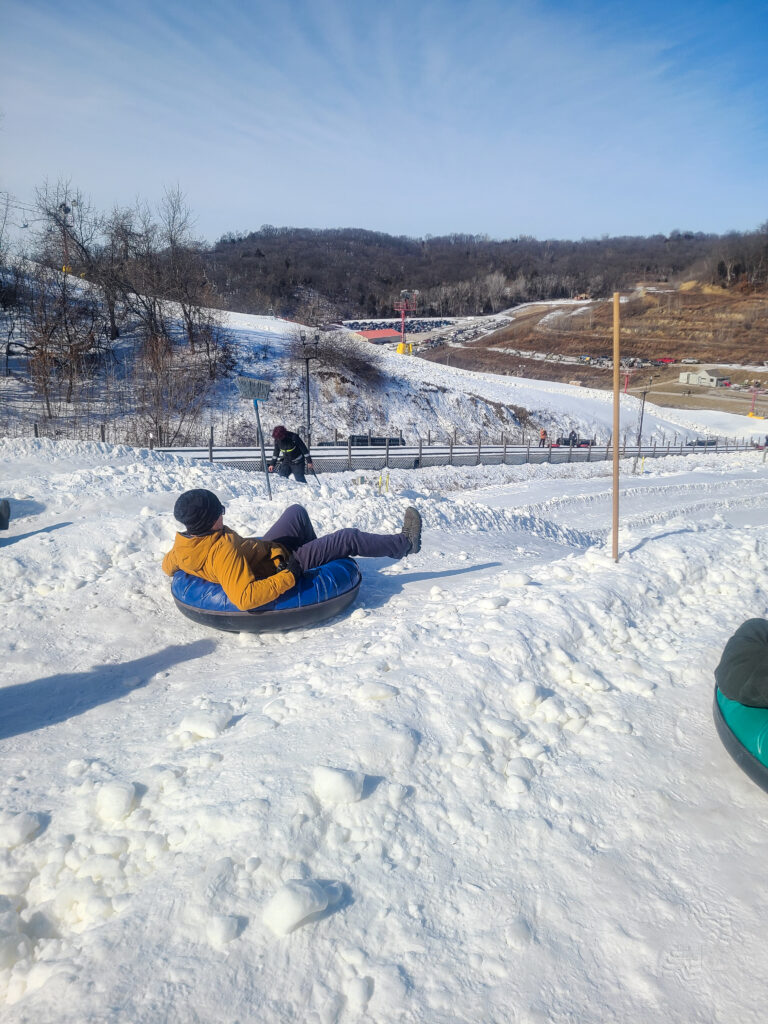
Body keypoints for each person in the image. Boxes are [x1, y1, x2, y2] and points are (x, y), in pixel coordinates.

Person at [162, 489, 422, 612]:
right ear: (210, 519)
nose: (223, 514)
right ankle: (405, 544)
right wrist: (292, 574)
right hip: (280, 567)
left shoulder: (183, 545)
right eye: (220, 511)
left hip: (266, 551)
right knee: (348, 537)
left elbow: (167, 565)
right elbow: (244, 598)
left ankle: (319, 554)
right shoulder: (224, 551)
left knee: (296, 513)